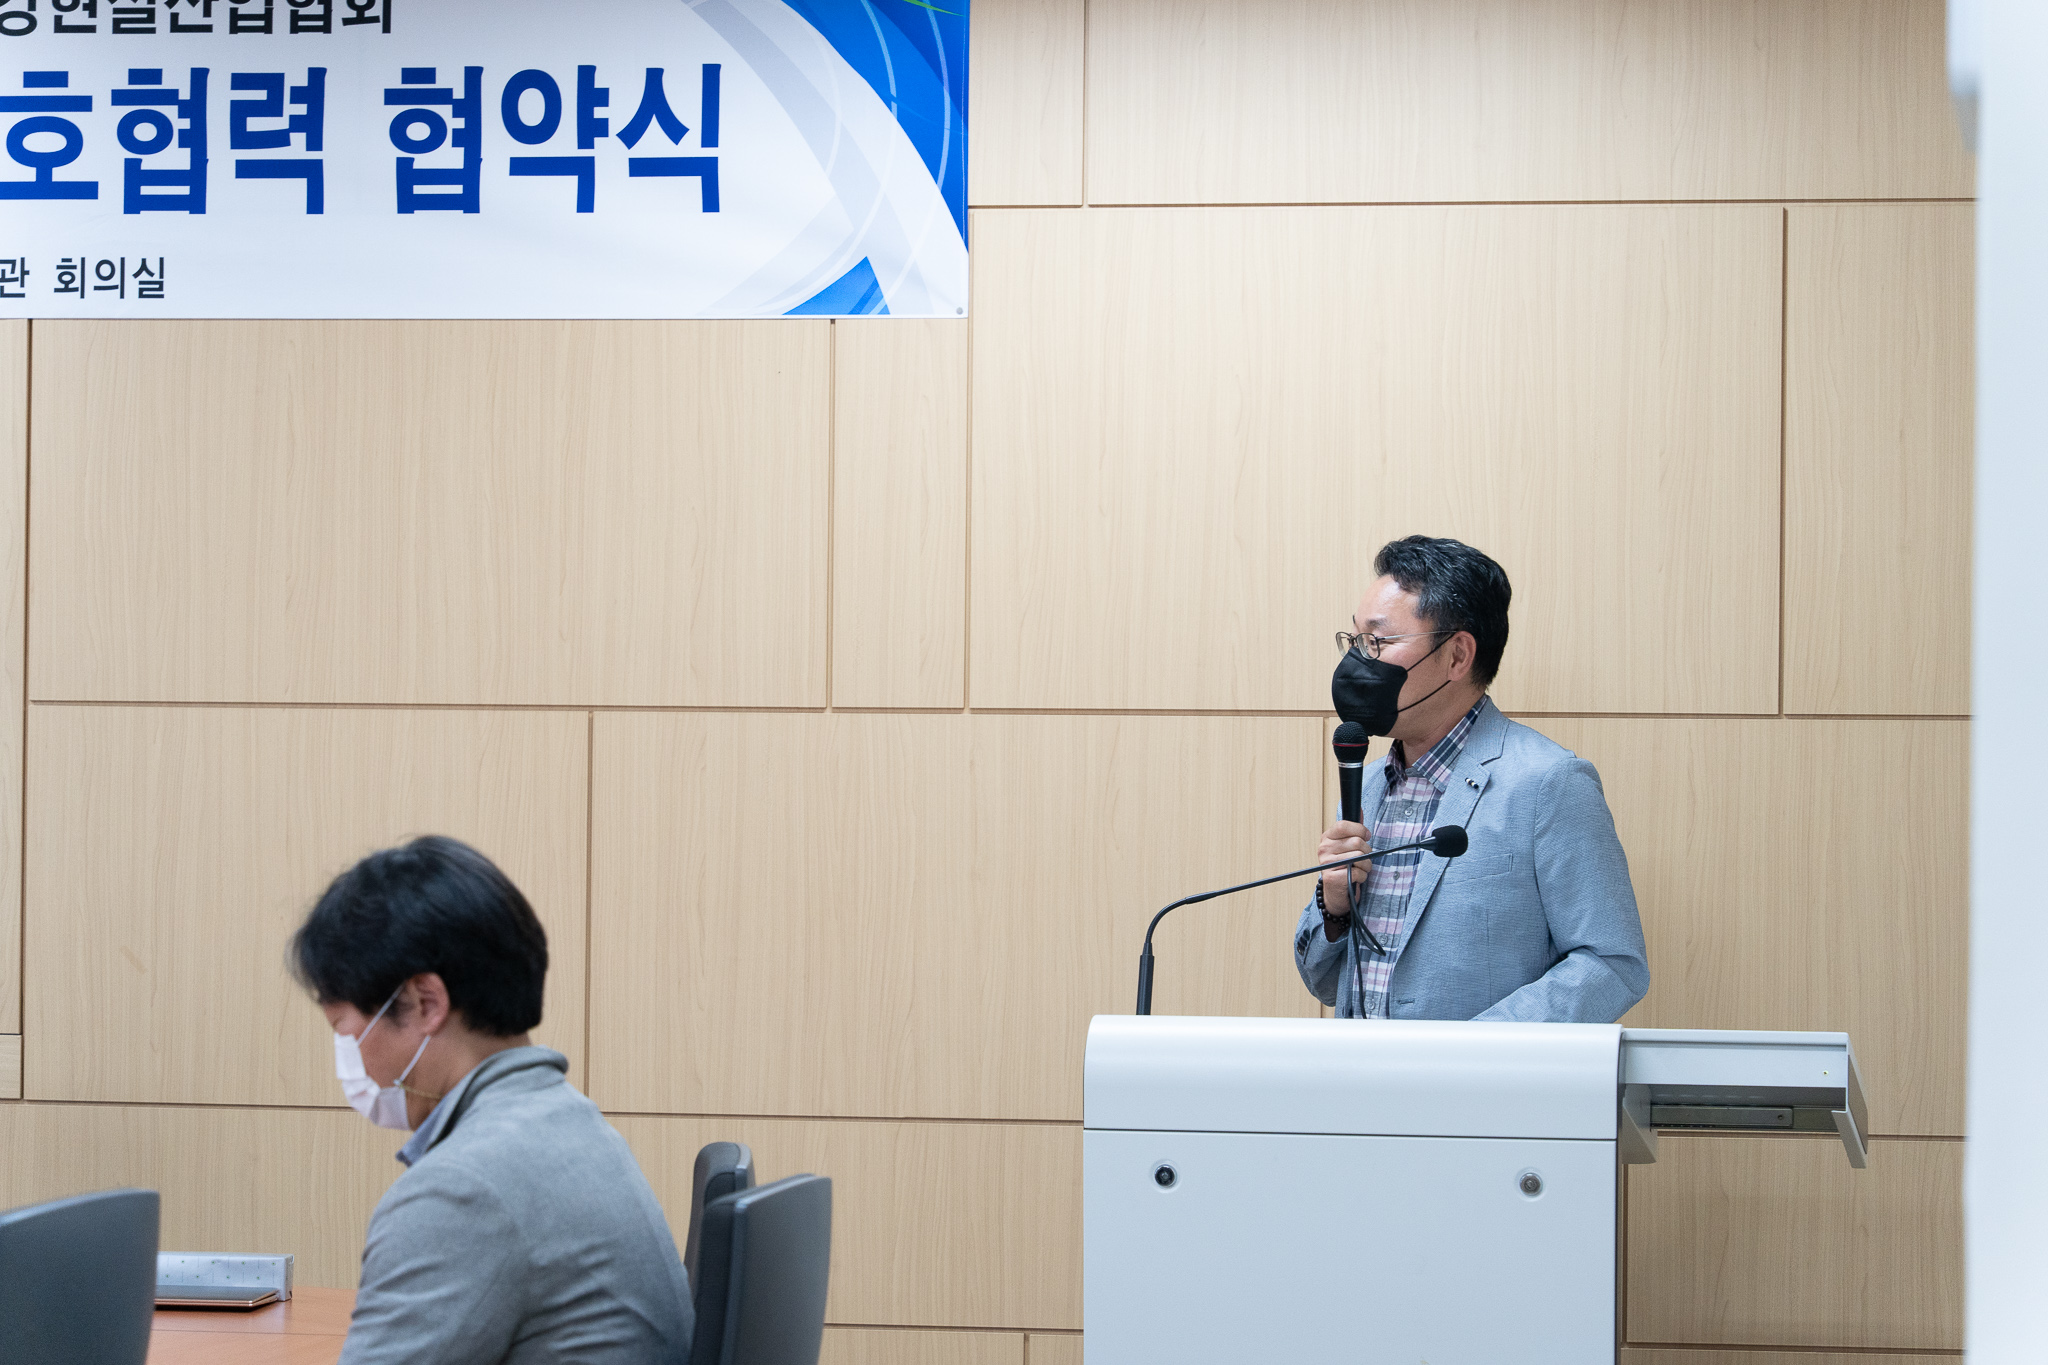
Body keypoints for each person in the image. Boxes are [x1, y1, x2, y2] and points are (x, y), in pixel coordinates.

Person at [290, 836, 694, 1365]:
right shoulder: (568, 1123)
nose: (352, 1060)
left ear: (424, 1002)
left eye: (345, 1030)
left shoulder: (461, 1190)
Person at [1296, 536, 1649, 1022]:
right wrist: (1334, 907)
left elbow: (1612, 965)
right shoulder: (1366, 784)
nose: (1358, 661)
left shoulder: (1548, 783)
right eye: (1355, 641)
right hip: (1358, 1071)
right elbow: (1327, 984)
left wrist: (1474, 1052)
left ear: (1457, 656)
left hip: (1483, 1073)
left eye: (1378, 641)